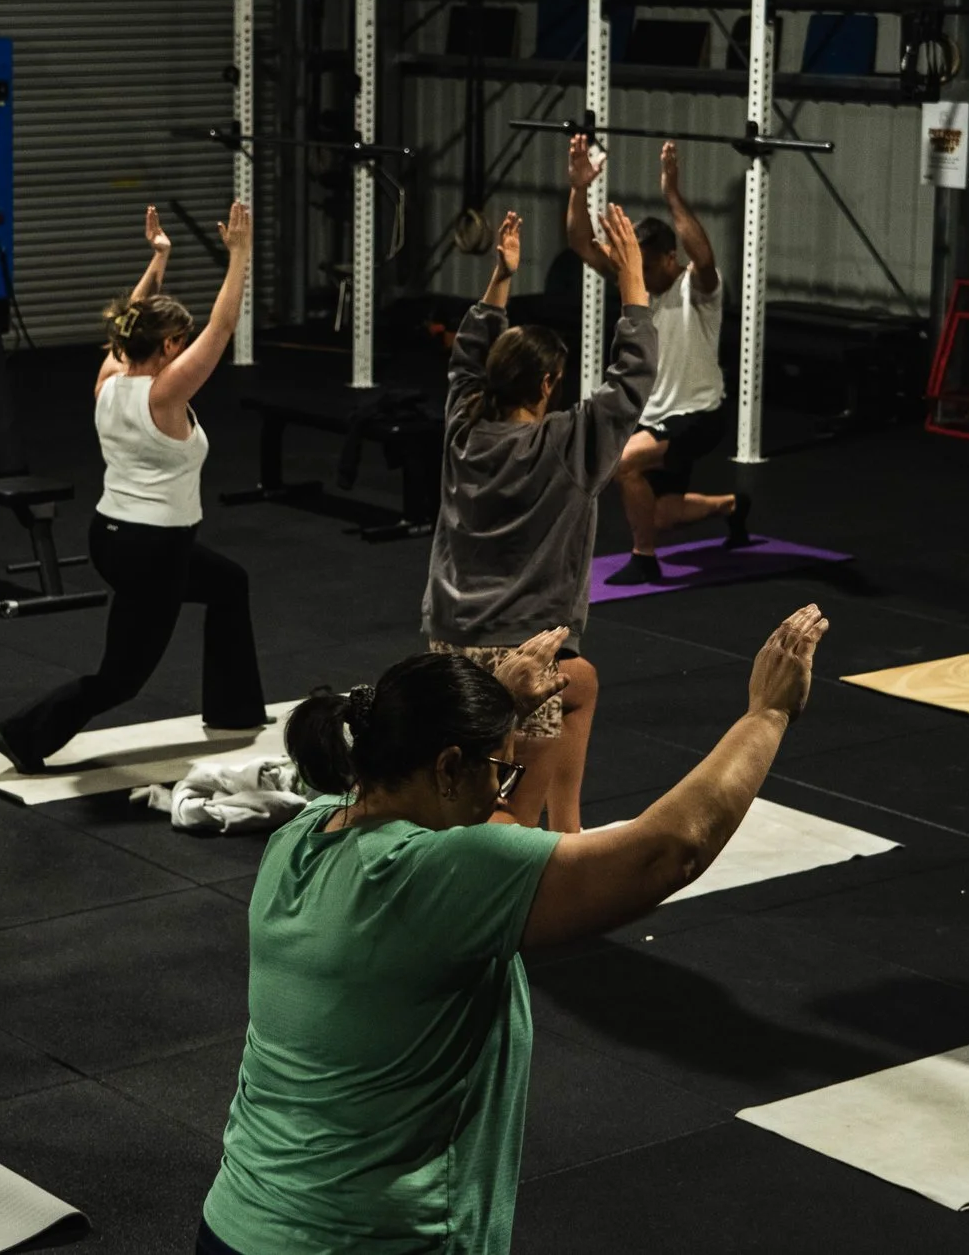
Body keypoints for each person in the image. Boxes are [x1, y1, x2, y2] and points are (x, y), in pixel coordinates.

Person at [198, 605, 829, 1255]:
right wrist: (767, 714)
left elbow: (421, 751)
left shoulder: (304, 833)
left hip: (235, 1225)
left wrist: (495, 704)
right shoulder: (437, 875)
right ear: (447, 768)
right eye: (498, 771)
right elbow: (667, 852)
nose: (501, 793)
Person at [0, 202, 263, 772]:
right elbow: (223, 327)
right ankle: (23, 734)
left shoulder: (110, 379)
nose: (186, 348)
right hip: (152, 551)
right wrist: (239, 256)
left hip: (111, 539)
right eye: (178, 342)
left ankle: (235, 710)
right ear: (167, 350)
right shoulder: (166, 396)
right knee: (121, 678)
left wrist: (158, 257)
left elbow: (129, 322)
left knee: (229, 584)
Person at [424, 204, 656, 833]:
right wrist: (632, 282)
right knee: (508, 819)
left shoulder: (463, 431)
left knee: (582, 682)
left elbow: (466, 359)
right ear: (550, 383)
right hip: (523, 652)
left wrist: (501, 276)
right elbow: (632, 379)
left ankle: (570, 835)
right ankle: (528, 886)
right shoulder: (569, 447)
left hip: (450, 639)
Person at [567, 136, 749, 585]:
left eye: (648, 266)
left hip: (700, 415)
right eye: (637, 268)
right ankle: (733, 505)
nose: (640, 277)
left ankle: (644, 559)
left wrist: (671, 193)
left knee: (623, 462)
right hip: (658, 418)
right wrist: (578, 189)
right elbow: (581, 245)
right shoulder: (637, 283)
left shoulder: (698, 290)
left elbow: (703, 254)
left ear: (671, 258)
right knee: (664, 513)